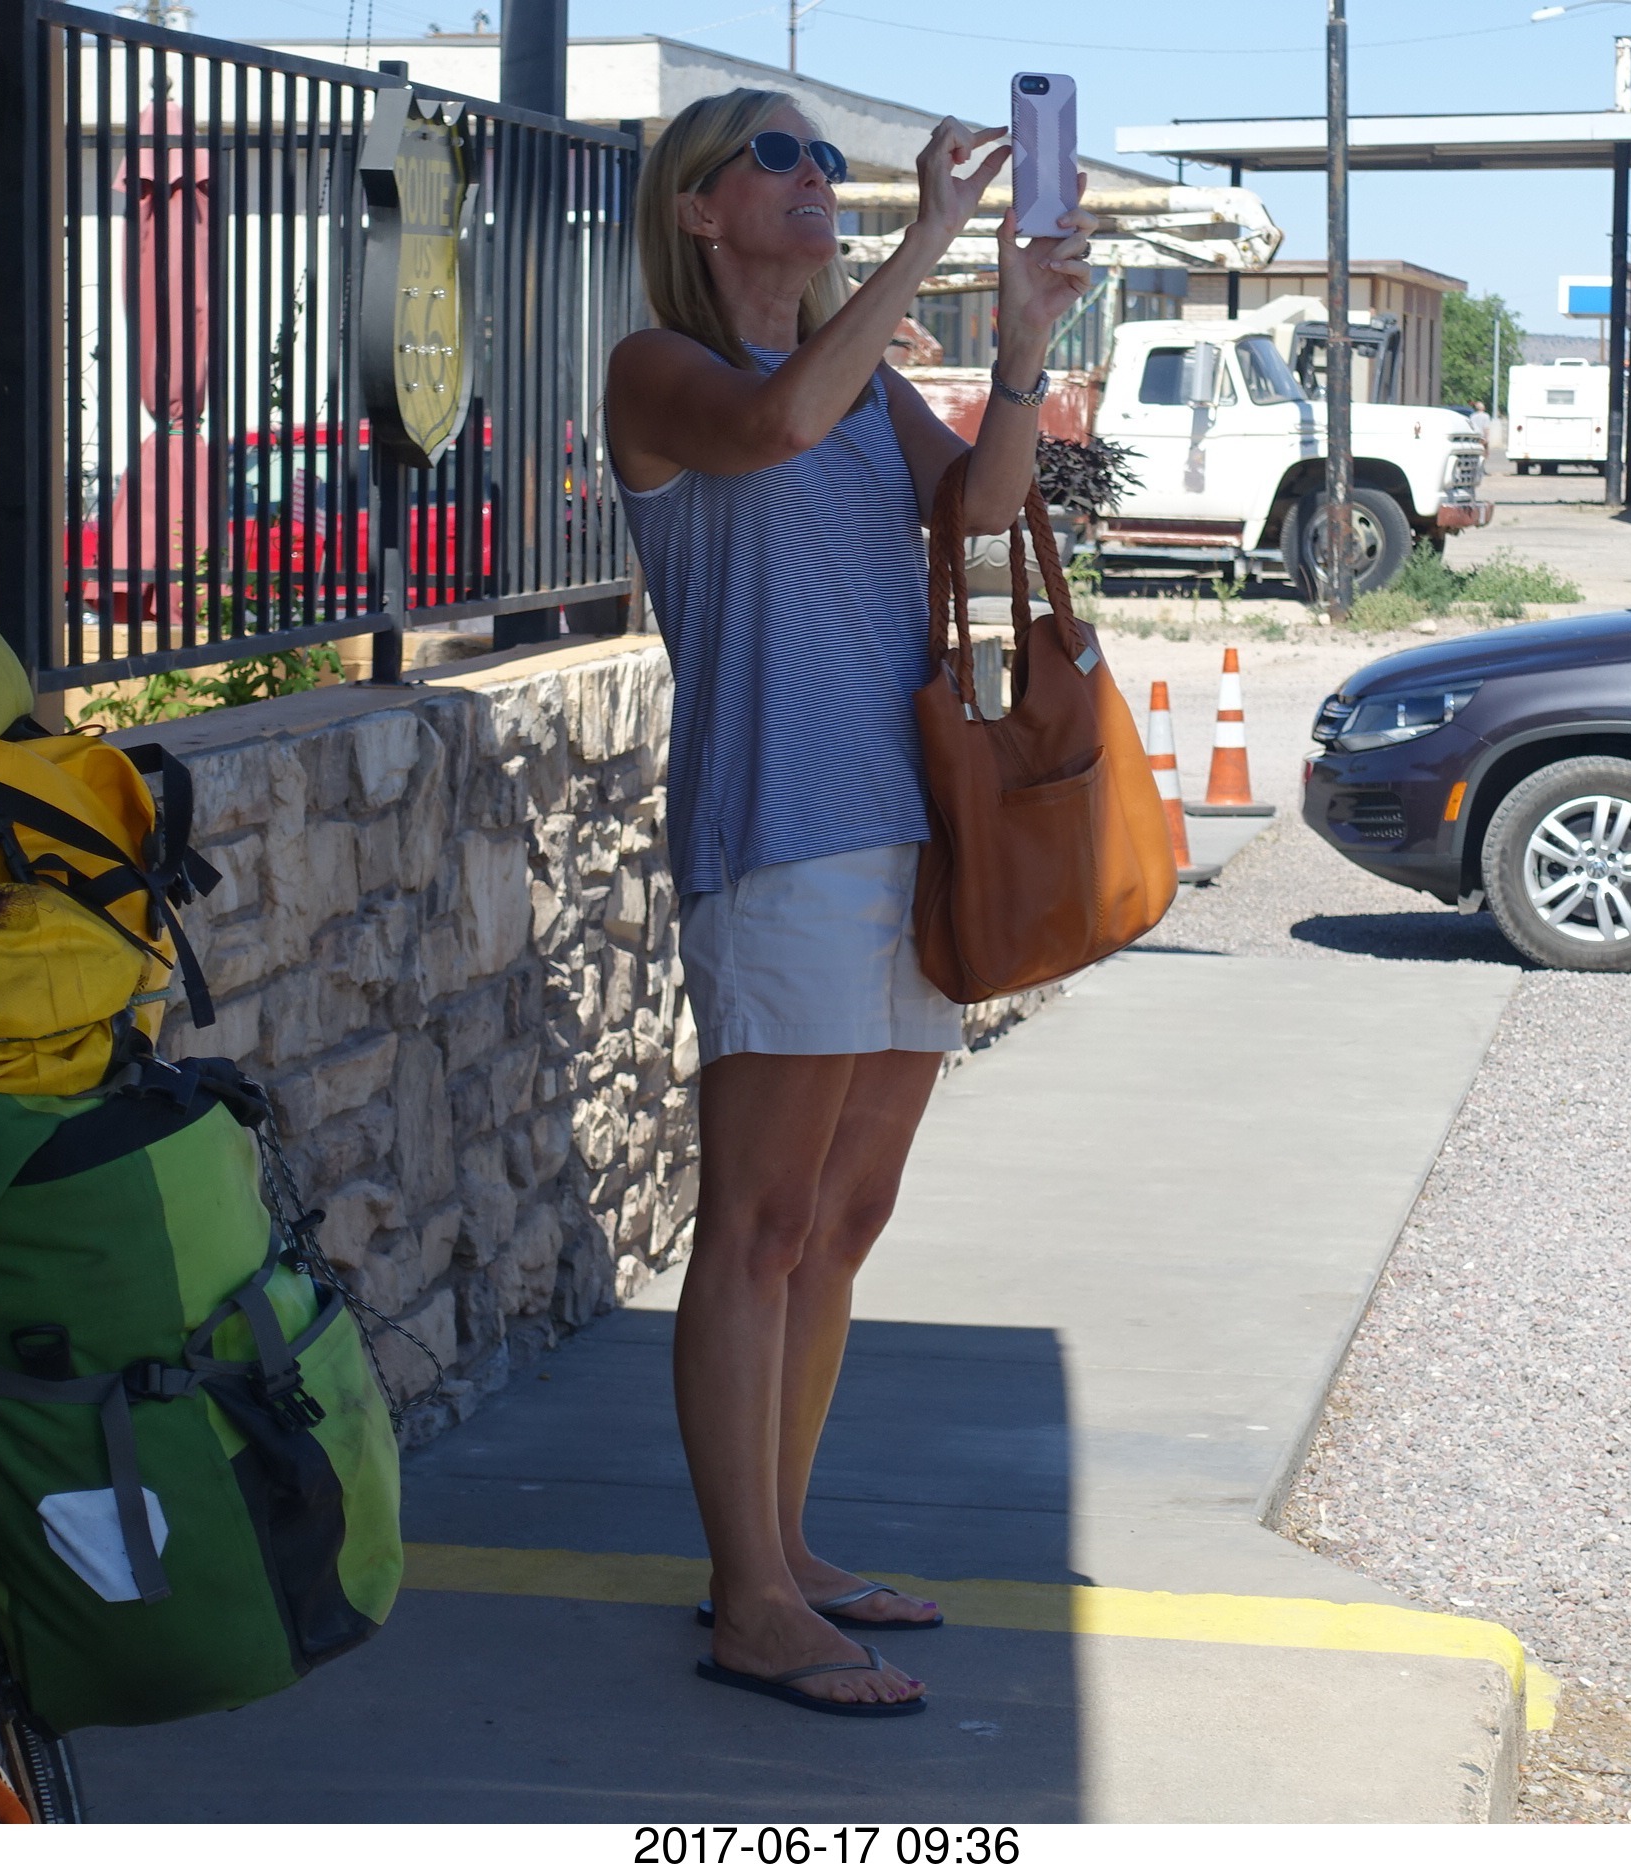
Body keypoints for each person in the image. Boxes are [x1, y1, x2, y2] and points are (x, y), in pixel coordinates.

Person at [606, 90, 1091, 1716]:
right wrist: (931, 240)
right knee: (757, 1225)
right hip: (781, 839)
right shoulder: (660, 373)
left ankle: (788, 1550)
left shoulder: (865, 377)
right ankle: (749, 1601)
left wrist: (1018, 346)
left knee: (842, 1221)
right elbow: (773, 430)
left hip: (910, 834)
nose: (814, 176)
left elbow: (985, 513)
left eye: (826, 158)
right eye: (779, 157)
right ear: (699, 209)